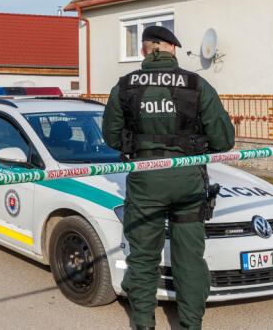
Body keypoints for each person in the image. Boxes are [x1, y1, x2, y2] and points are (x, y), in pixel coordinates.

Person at [103, 26, 234, 330]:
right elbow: (224, 139)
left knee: (143, 258)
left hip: (145, 182)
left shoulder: (124, 86)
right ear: (172, 49)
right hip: (188, 182)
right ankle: (190, 325)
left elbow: (110, 137)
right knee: (190, 259)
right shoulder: (196, 84)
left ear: (144, 51)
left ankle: (143, 324)